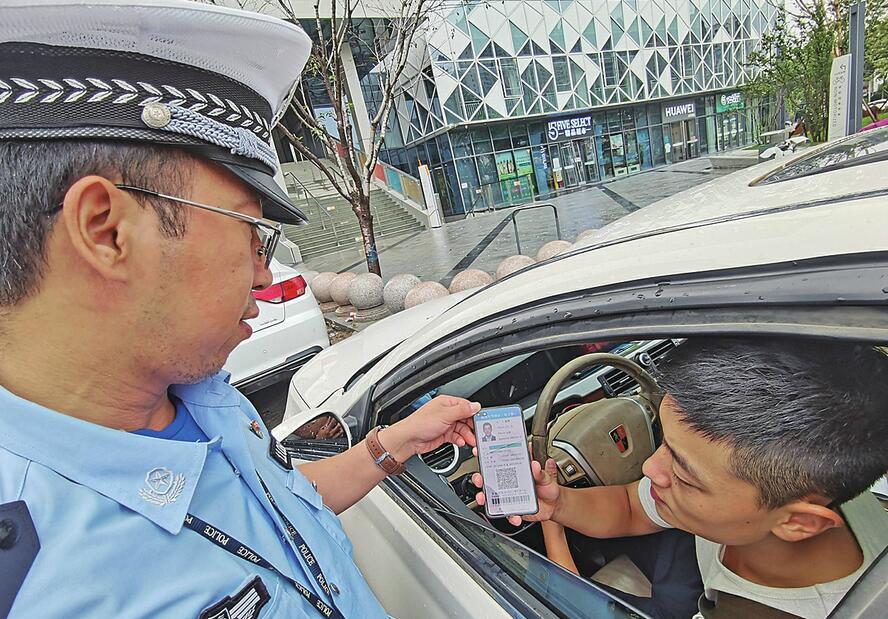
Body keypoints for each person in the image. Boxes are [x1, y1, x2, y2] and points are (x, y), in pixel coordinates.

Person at [0, 2, 479, 617]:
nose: (264, 273)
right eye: (251, 233)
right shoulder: (36, 582)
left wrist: (391, 445)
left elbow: (273, 512)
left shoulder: (198, 395)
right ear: (107, 230)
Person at [475, 338, 888, 618]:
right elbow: (630, 506)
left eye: (684, 473)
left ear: (800, 522)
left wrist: (553, 530)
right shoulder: (780, 492)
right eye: (665, 442)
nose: (651, 468)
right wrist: (558, 504)